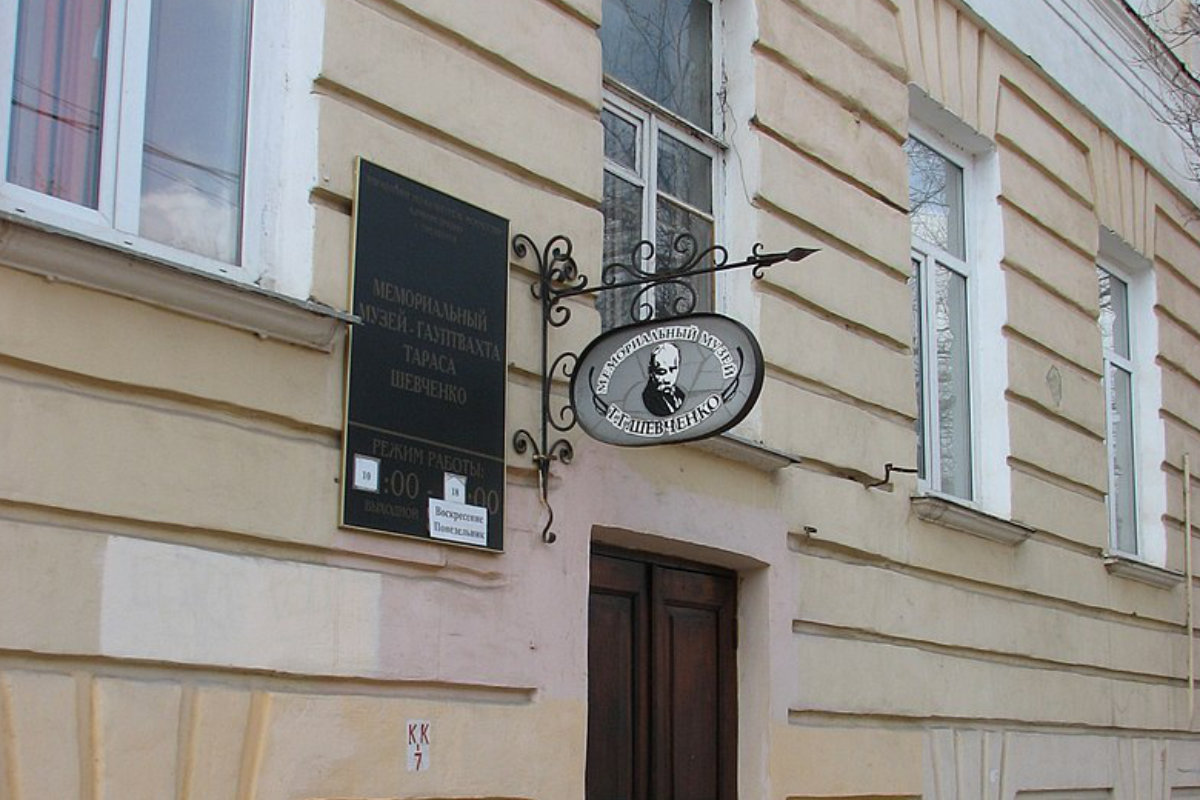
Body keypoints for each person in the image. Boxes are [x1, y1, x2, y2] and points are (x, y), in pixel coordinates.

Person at [642, 342, 686, 417]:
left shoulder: (680, 395)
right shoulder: (649, 400)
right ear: (651, 371)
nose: (668, 379)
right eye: (662, 372)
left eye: (673, 369)